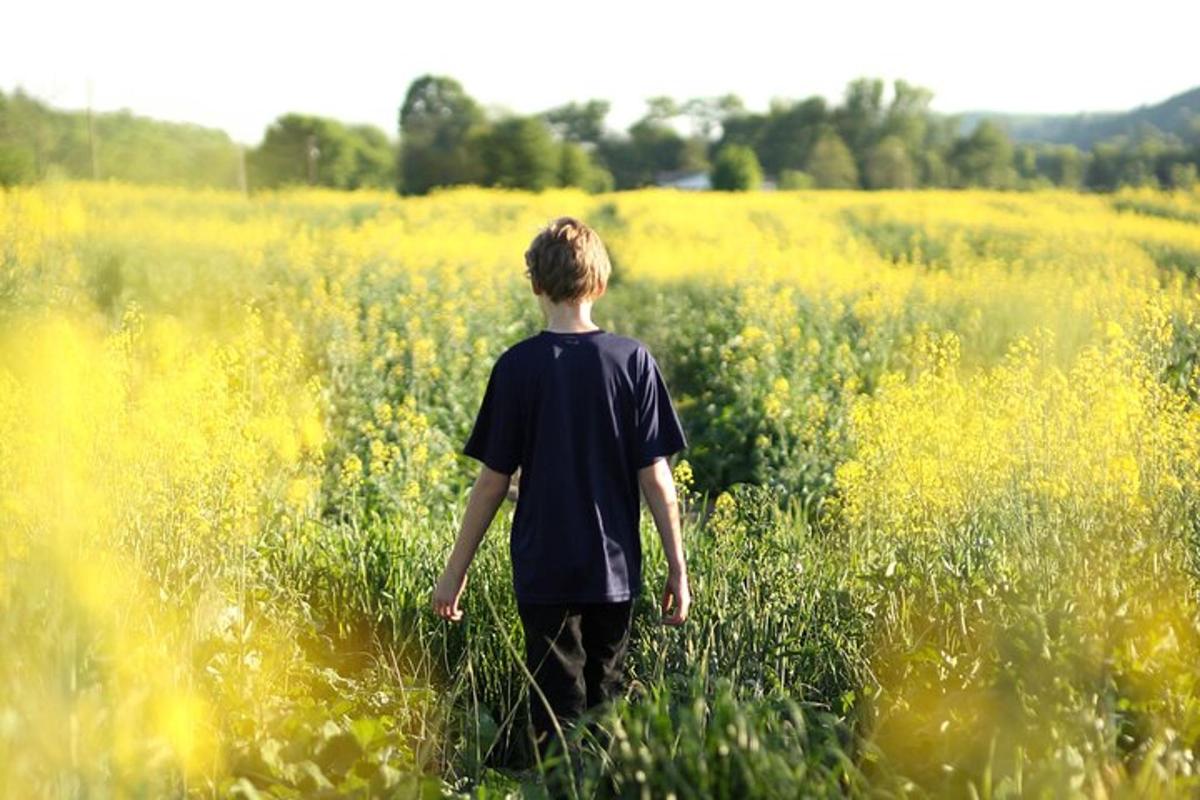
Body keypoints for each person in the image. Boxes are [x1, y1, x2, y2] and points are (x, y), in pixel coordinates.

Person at [430, 215, 692, 765]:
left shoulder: (517, 367)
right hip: (614, 570)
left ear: (536, 285)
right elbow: (657, 477)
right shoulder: (632, 361)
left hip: (543, 569)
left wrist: (456, 570)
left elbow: (490, 483)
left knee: (555, 711)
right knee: (607, 705)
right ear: (599, 283)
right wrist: (677, 566)